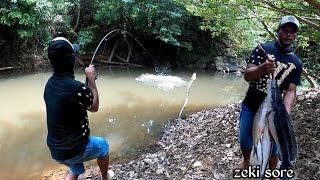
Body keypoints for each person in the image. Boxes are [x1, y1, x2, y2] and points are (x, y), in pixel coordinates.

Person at [236, 16, 303, 170]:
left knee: (275, 145)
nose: (288, 34)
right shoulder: (263, 49)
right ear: (278, 31)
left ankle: (273, 170)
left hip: (275, 110)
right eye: (285, 30)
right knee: (245, 138)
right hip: (251, 104)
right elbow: (247, 76)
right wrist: (262, 68)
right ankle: (247, 162)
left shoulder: (297, 63)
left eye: (292, 32)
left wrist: (284, 114)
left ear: (296, 36)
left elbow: (291, 91)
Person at [44, 37, 109, 180]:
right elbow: (94, 107)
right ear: (71, 60)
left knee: (75, 166)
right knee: (104, 146)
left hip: (55, 149)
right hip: (73, 149)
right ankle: (105, 177)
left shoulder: (49, 85)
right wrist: (91, 80)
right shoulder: (77, 88)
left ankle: (75, 169)